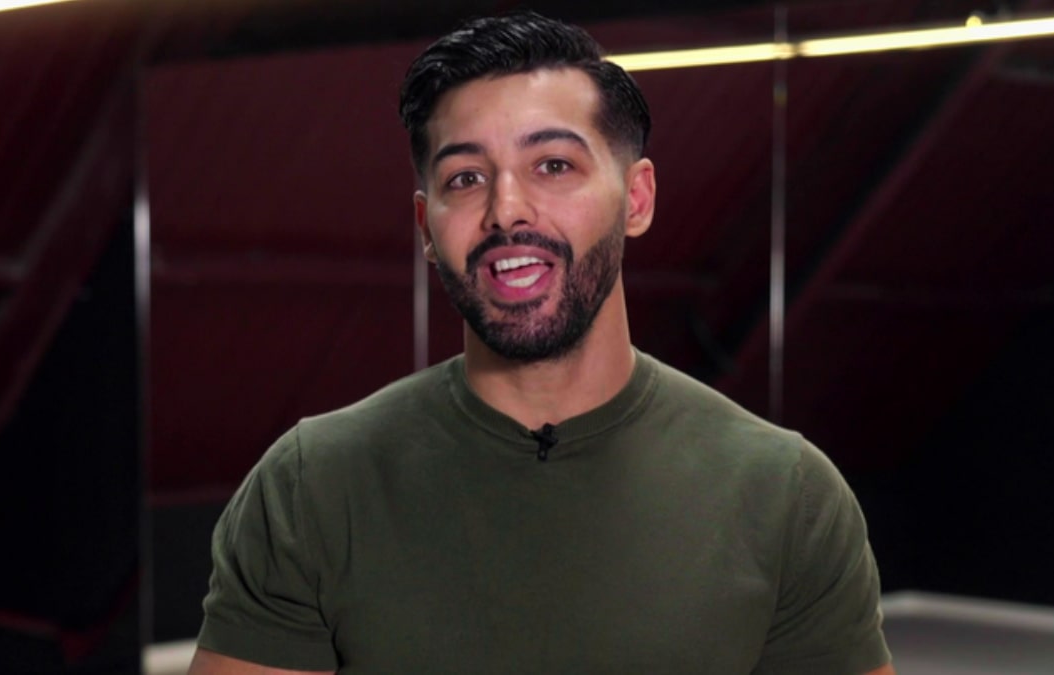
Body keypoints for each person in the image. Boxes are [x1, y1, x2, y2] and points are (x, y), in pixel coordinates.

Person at [189, 11, 894, 675]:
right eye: (464, 178)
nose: (505, 209)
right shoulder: (312, 487)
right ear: (425, 228)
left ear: (638, 197)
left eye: (553, 165)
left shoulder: (787, 496)